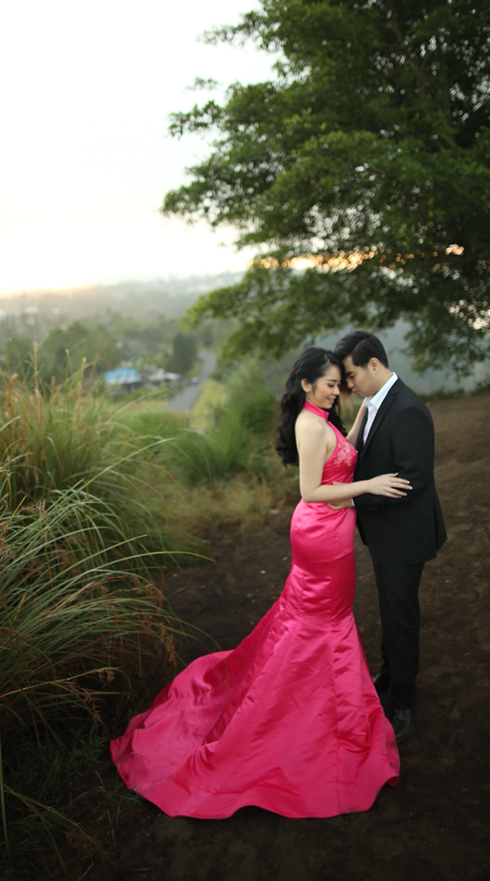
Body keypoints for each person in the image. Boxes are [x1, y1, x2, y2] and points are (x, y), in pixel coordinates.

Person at [109, 347, 412, 818]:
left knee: (319, 621)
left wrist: (368, 413)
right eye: (331, 384)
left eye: (340, 383)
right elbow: (310, 490)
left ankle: (323, 706)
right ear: (308, 384)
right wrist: (368, 487)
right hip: (321, 533)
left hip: (330, 531)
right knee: (324, 624)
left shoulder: (322, 418)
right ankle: (313, 720)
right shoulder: (309, 425)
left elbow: (345, 449)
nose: (339, 390)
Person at [335, 330, 447, 743]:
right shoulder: (373, 403)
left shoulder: (408, 410)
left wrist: (356, 501)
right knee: (389, 611)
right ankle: (390, 674)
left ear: (374, 366)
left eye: (351, 375)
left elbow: (413, 479)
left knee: (401, 618)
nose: (348, 384)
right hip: (385, 534)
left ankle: (403, 701)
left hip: (404, 536)